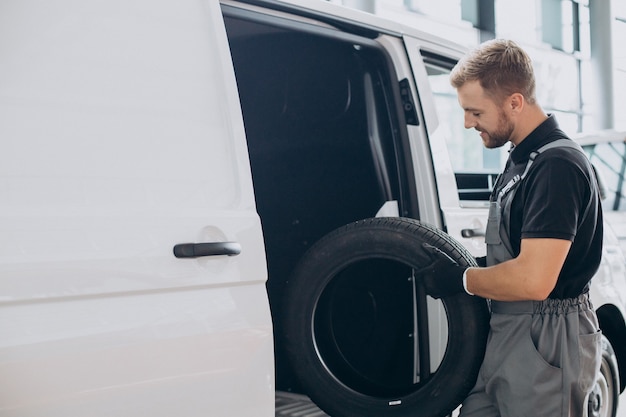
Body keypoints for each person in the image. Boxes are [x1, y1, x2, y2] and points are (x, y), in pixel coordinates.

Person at [420, 39, 604, 417]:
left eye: (475, 112)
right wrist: (469, 262)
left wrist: (464, 279)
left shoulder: (558, 167)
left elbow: (534, 280)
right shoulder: (522, 161)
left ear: (515, 103)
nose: (467, 123)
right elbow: (520, 251)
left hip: (548, 338)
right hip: (506, 332)